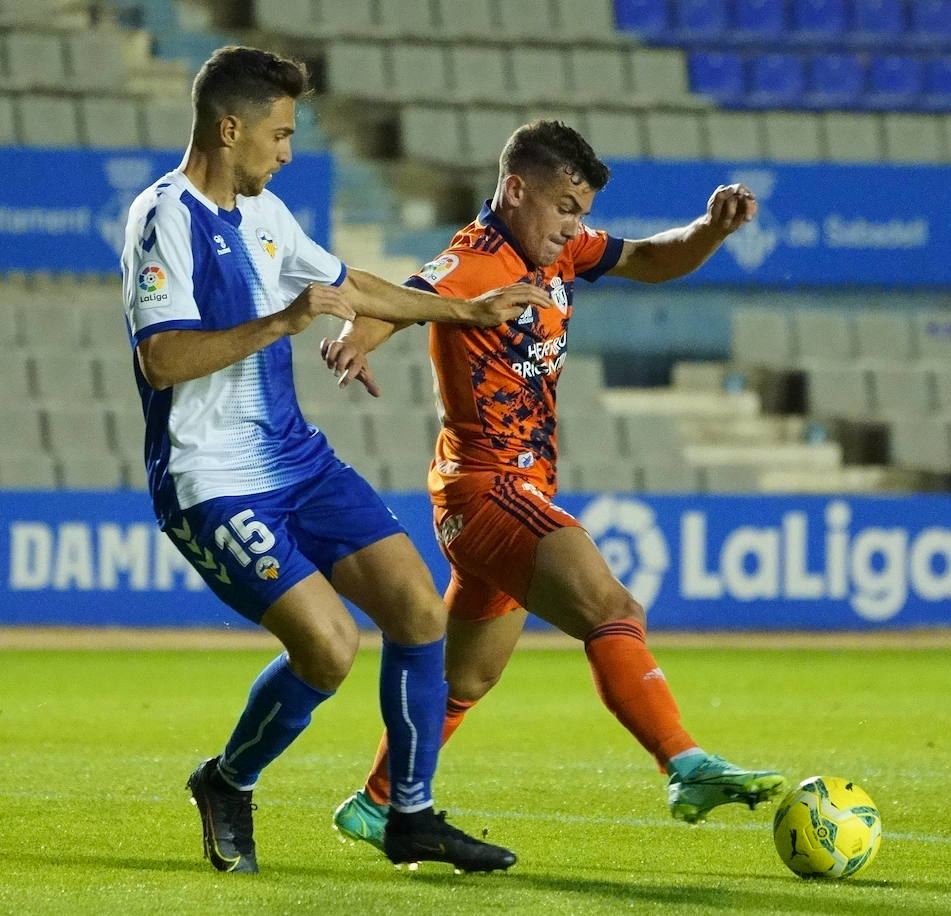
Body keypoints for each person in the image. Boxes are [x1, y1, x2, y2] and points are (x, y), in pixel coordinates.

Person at [119, 45, 556, 874]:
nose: (287, 152)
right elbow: (163, 362)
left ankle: (410, 815)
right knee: (328, 648)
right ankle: (228, 781)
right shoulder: (162, 217)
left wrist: (467, 309)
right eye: (278, 135)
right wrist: (283, 324)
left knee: (420, 613)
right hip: (210, 481)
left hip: (297, 462)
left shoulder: (266, 216)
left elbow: (350, 285)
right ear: (229, 127)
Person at [317, 120, 785, 851]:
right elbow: (405, 299)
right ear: (515, 189)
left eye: (584, 213)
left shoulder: (565, 253)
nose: (577, 227)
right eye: (566, 208)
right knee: (611, 605)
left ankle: (376, 803)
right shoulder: (477, 260)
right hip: (486, 488)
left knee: (466, 679)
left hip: (507, 492)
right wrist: (355, 340)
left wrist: (709, 228)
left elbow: (654, 259)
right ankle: (684, 762)